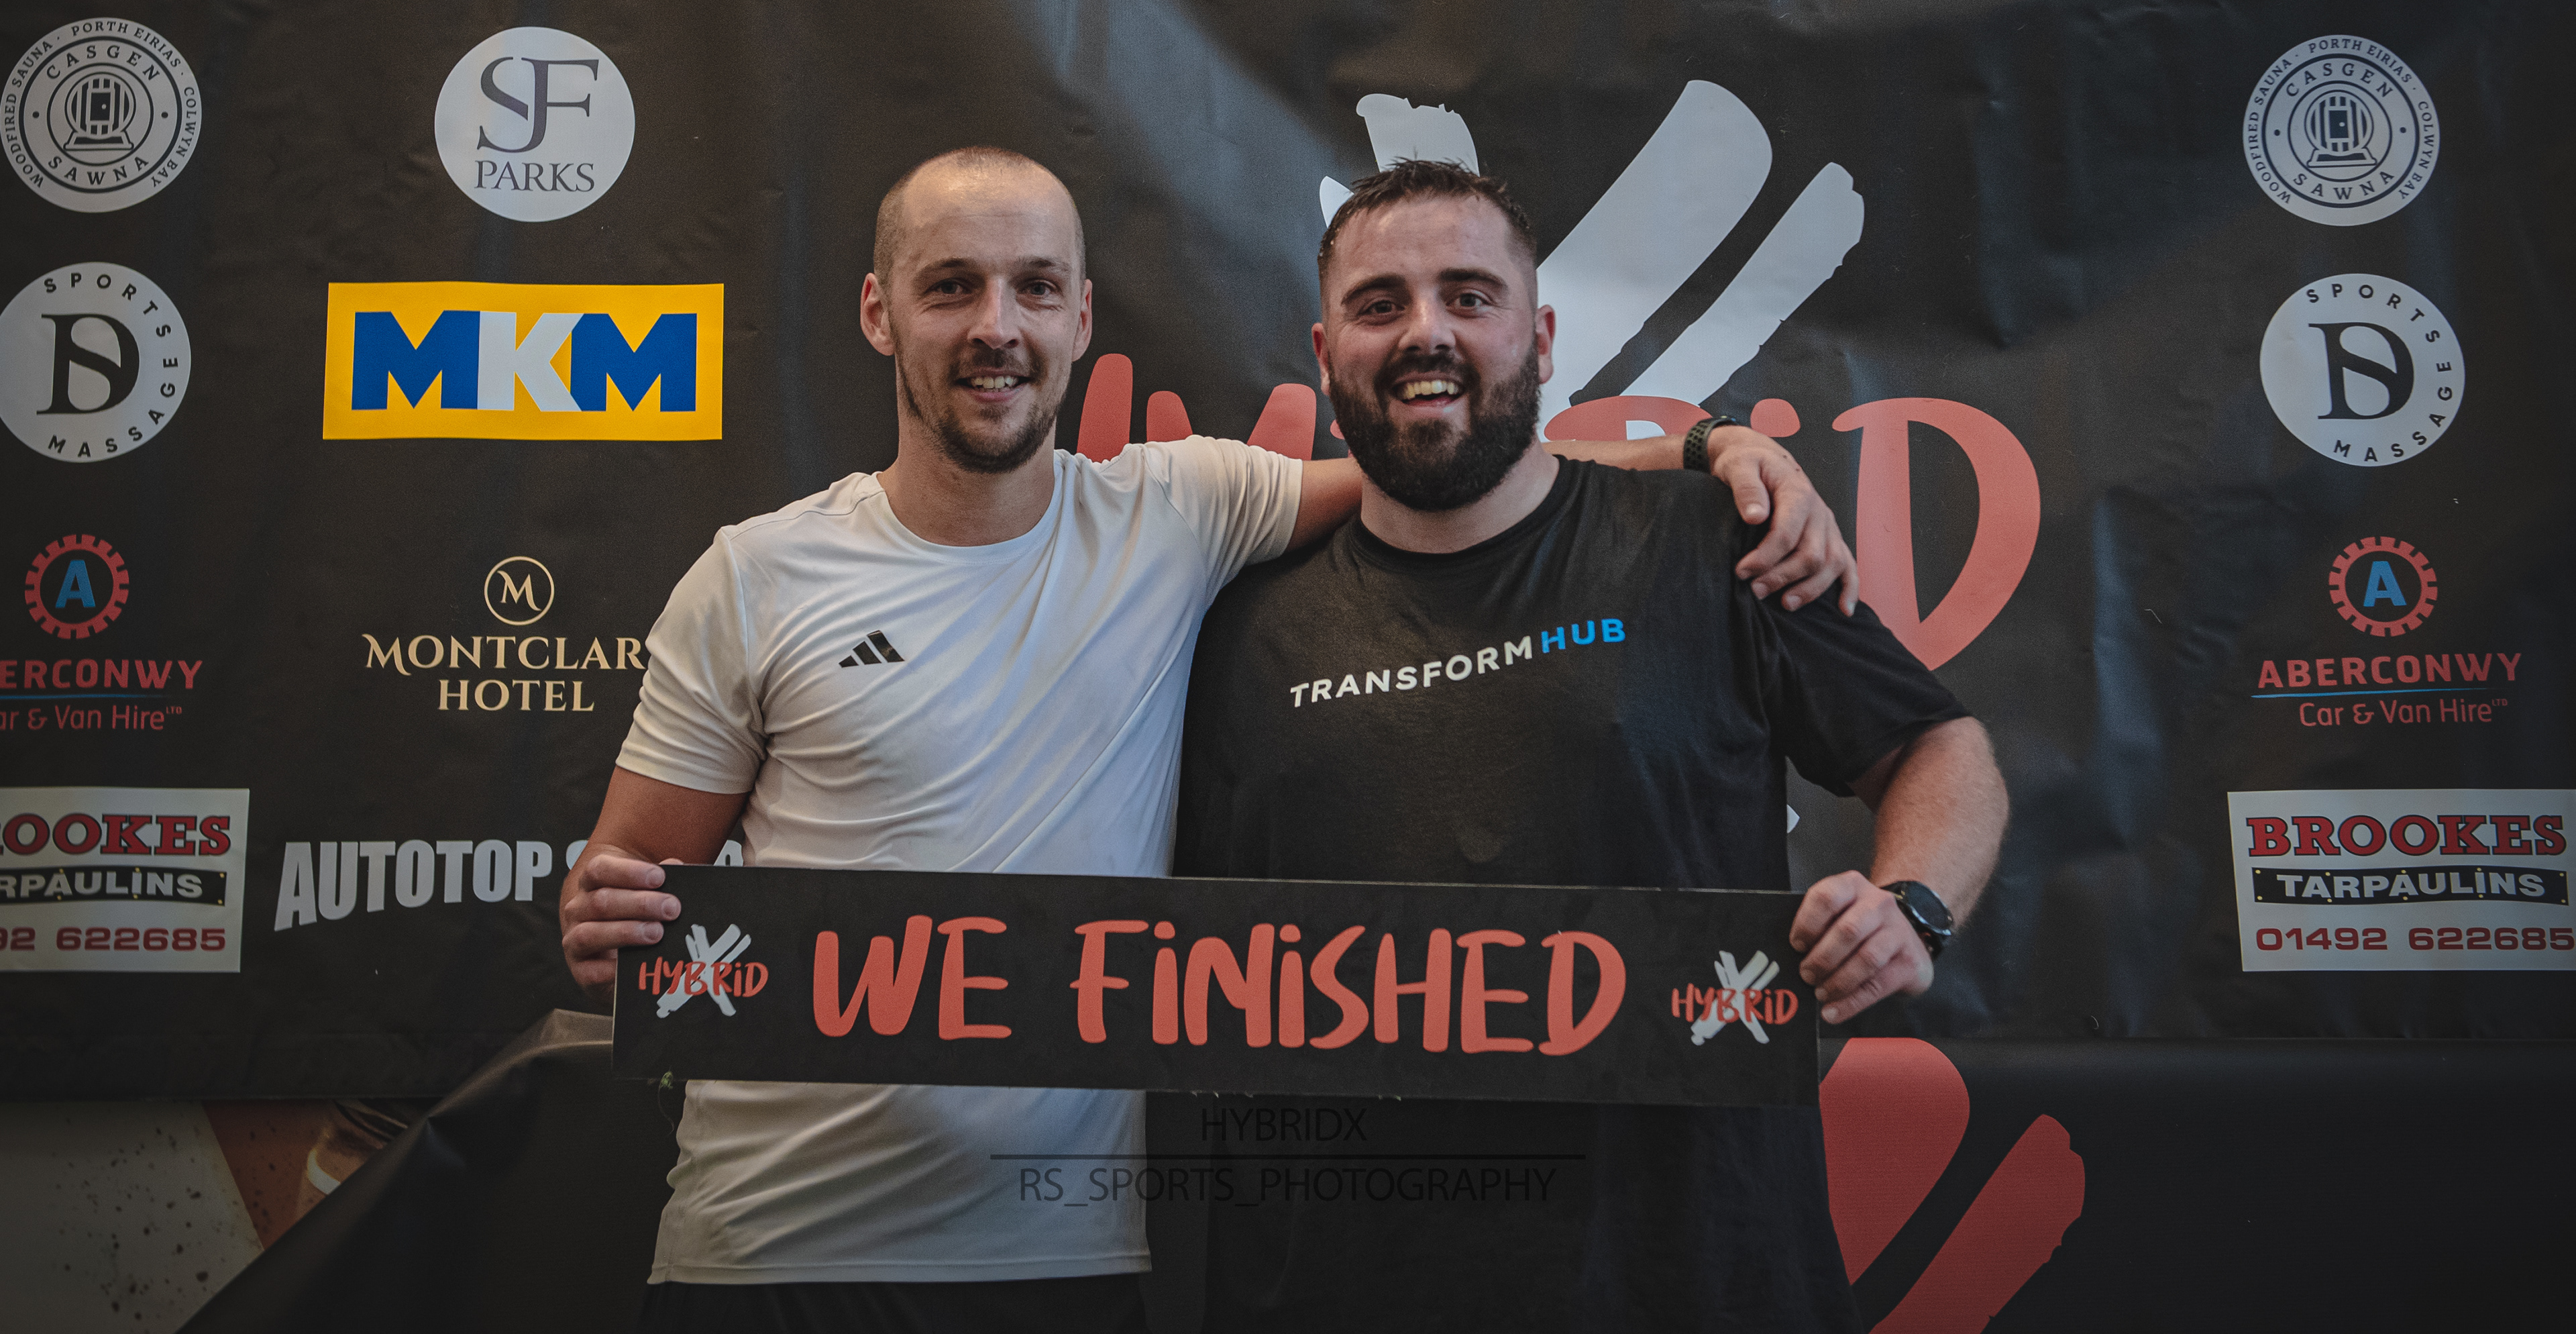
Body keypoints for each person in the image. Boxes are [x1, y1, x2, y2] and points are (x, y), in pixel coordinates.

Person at [555, 146, 1857, 1333]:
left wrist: (1711, 446)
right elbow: (631, 915)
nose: (996, 324)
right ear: (878, 312)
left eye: (1034, 287)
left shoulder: (1181, 509)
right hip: (769, 1251)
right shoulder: (755, 577)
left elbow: (1458, 459)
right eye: (951, 287)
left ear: (1080, 320)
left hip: (1063, 1260)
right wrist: (608, 925)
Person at [1175, 157, 2010, 1332]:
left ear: (1543, 337)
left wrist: (1911, 907)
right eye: (1380, 304)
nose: (1426, 333)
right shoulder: (1232, 618)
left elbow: (1936, 747)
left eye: (1470, 296)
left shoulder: (1718, 542)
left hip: (1694, 1272)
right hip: (1340, 1282)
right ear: (1324, 355)